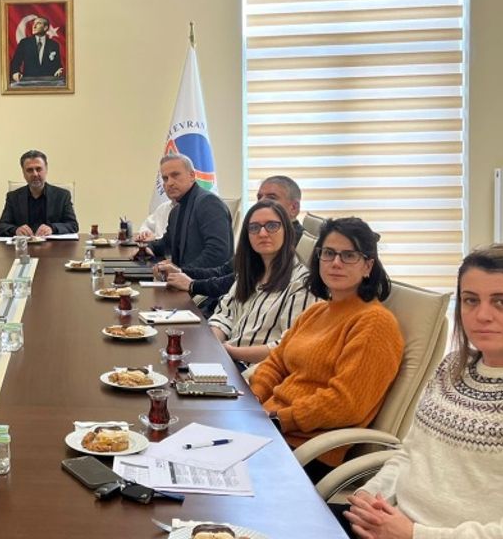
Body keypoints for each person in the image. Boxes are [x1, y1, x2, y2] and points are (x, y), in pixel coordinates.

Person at [344, 244, 503, 539]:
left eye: (501, 302)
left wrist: (414, 534)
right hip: (389, 523)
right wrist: (370, 498)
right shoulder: (453, 367)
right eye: (470, 300)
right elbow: (411, 454)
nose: (482, 315)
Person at [249, 217, 404, 481]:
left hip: (307, 449)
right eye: (329, 253)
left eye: (349, 255)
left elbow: (346, 403)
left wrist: (279, 418)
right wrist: (253, 400)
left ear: (368, 266)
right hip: (269, 427)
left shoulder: (375, 322)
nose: (336, 263)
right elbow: (276, 362)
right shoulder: (317, 311)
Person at [205, 200, 317, 367]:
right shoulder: (250, 273)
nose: (262, 233)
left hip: (257, 372)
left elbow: (289, 346)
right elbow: (225, 314)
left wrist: (231, 352)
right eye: (254, 227)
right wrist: (213, 345)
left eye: (272, 226)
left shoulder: (302, 284)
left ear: (287, 231)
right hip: (229, 360)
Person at [162, 175, 307, 299]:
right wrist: (181, 271)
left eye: (271, 197)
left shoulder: (292, 242)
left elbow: (239, 282)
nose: (262, 202)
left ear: (294, 208)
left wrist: (192, 285)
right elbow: (225, 271)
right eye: (259, 197)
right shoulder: (258, 236)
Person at [149, 154, 233, 274]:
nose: (169, 183)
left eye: (175, 175)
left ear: (192, 176)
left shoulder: (209, 203)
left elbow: (217, 253)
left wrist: (182, 272)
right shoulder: (176, 211)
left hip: (208, 282)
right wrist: (148, 248)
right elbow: (167, 243)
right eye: (165, 178)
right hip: (184, 281)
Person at [0, 149, 79, 237]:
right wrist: (16, 230)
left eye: (39, 169)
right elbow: (1, 227)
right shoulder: (13, 197)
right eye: (29, 170)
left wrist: (52, 228)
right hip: (24, 244)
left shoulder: (62, 196)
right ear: (23, 173)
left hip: (52, 244)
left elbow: (73, 225)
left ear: (46, 169)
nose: (35, 174)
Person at [9, 16, 63, 83]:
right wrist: (15, 72)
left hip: (48, 82)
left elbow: (58, 65)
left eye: (38, 23)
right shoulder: (25, 43)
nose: (34, 26)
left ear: (45, 28)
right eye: (34, 23)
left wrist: (59, 70)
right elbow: (15, 62)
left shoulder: (54, 45)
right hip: (28, 82)